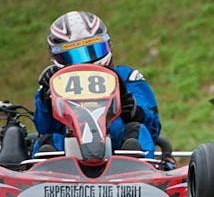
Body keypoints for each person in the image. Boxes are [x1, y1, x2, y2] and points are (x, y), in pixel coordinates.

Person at [33, 10, 164, 161]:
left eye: (92, 51)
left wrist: (130, 107)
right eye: (75, 55)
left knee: (138, 131)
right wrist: (47, 99)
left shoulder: (127, 77)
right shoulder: (55, 85)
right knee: (47, 141)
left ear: (108, 45)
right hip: (69, 150)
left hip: (117, 146)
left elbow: (153, 128)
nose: (85, 61)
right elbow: (44, 128)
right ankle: (47, 170)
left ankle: (136, 166)